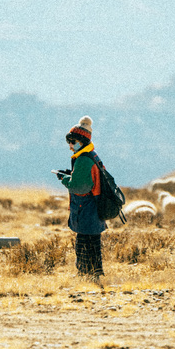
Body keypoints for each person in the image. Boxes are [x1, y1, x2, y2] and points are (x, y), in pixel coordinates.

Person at [56, 115, 106, 284]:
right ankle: (94, 275)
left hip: (86, 208)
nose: (70, 146)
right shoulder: (91, 155)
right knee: (93, 242)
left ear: (82, 140)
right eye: (69, 142)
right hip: (95, 206)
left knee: (83, 242)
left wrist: (65, 180)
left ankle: (84, 275)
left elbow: (81, 187)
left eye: (73, 141)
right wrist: (72, 174)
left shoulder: (83, 160)